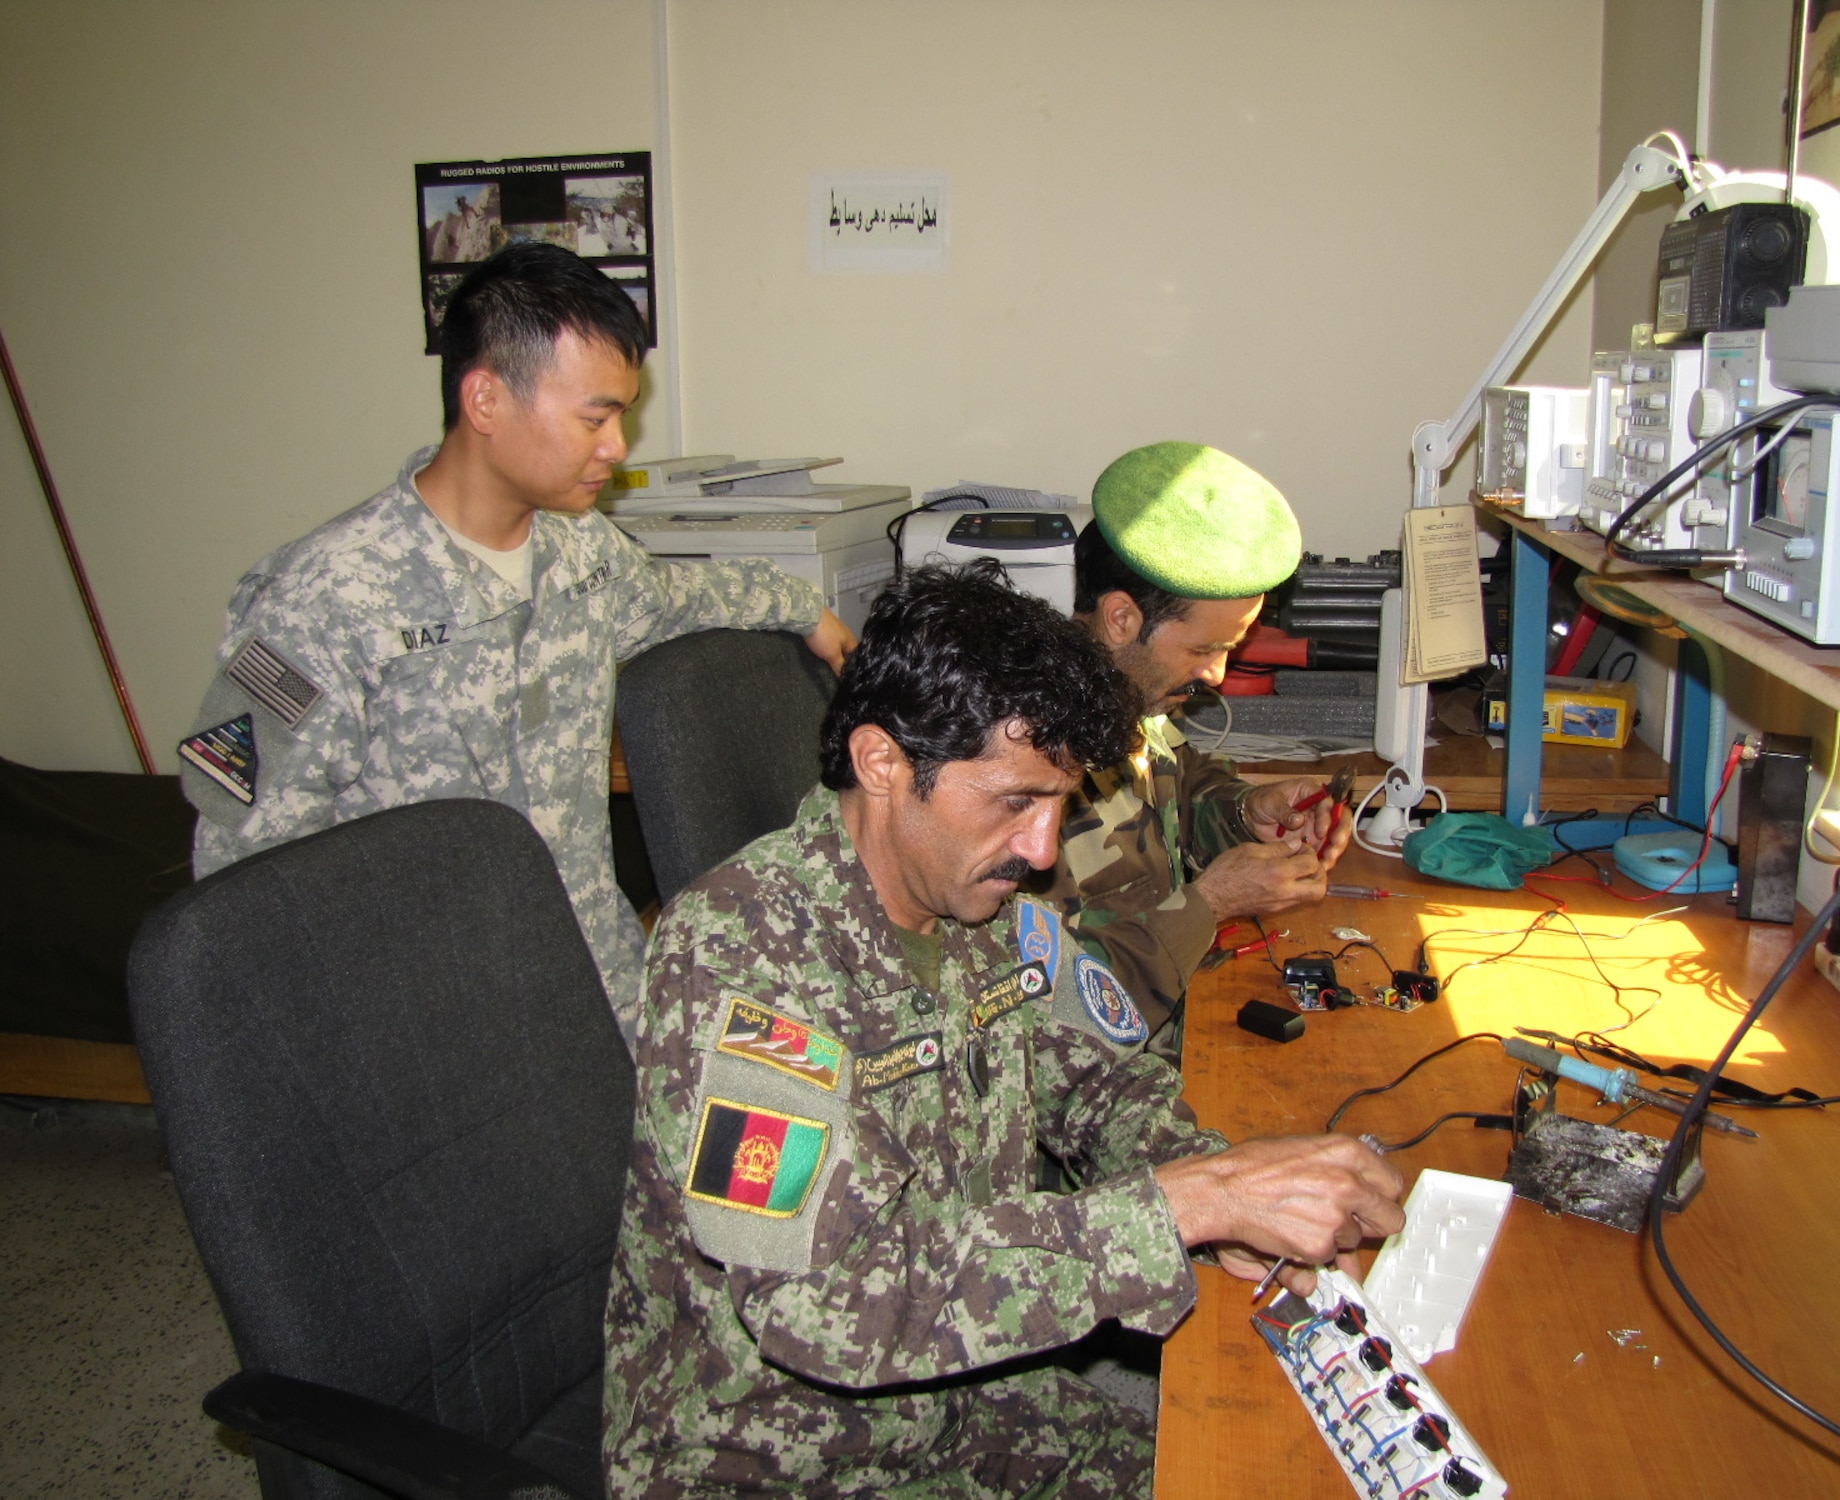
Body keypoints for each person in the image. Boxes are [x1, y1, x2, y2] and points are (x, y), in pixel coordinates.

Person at [602, 562, 1404, 1497]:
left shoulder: (988, 909)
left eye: (1059, 802)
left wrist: (1223, 1189)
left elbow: (1097, 1082)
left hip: (965, 1399)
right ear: (881, 763)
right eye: (1016, 800)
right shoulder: (739, 955)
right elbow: (825, 1303)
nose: (1042, 849)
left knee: (1250, 1473)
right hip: (779, 1461)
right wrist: (1187, 1205)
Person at [177, 243, 855, 1040]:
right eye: (595, 418)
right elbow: (243, 868)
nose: (617, 448)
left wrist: (806, 609)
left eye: (622, 418)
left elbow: (681, 597)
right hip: (431, 1019)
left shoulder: (581, 552)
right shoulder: (323, 600)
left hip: (592, 979)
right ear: (486, 400)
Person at [1026, 440, 1350, 1039]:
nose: (1218, 675)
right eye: (1205, 648)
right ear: (1122, 619)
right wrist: (1211, 903)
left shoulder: (1133, 695)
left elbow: (1175, 795)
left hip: (1184, 1017)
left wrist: (1247, 811)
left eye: (1230, 648)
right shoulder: (1023, 765)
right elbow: (1055, 1011)